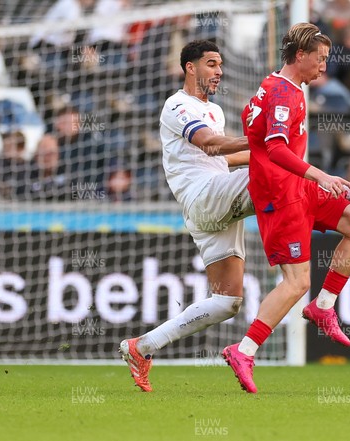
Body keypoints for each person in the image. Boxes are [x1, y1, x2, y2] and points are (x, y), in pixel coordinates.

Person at [222, 23, 350, 394]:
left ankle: (324, 306)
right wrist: (319, 174)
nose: (323, 67)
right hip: (282, 198)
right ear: (301, 56)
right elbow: (277, 149)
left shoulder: (280, 86)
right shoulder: (283, 92)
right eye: (320, 59)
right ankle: (244, 349)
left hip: (296, 188)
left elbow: (259, 144)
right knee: (297, 282)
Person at [119, 40, 252, 392]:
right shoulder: (177, 105)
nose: (219, 71)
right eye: (211, 64)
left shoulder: (217, 111)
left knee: (227, 302)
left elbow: (221, 157)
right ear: (190, 67)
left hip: (214, 199)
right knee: (282, 179)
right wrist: (263, 141)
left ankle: (141, 347)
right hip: (204, 196)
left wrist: (262, 152)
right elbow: (210, 144)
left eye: (220, 64)